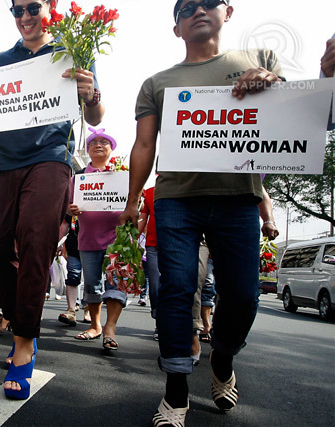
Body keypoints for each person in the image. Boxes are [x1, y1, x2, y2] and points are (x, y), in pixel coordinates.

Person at [118, 1, 285, 424]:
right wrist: (134, 197)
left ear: (227, 12)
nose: (198, 10)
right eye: (186, 8)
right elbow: (143, 145)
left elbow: (295, 120)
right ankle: (176, 390)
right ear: (176, 29)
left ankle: (223, 359)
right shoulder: (158, 82)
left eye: (207, 2)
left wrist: (276, 85)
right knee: (175, 288)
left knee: (244, 296)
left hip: (238, 199)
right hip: (177, 200)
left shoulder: (260, 61)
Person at [0, 0, 105, 400]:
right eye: (16, 10)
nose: (25, 17)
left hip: (51, 159)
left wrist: (90, 92)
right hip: (4, 161)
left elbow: (95, 116)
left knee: (35, 241)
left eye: (33, 7)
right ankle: (16, 315)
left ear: (51, 7)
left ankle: (24, 341)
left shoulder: (73, 50)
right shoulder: (0, 59)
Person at [69, 129, 126, 351]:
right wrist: (71, 208)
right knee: (92, 285)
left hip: (118, 241)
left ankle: (110, 328)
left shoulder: (123, 175)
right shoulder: (79, 179)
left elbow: (135, 204)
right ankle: (95, 326)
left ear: (112, 149)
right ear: (88, 149)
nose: (98, 145)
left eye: (104, 142)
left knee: (115, 284)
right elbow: (66, 206)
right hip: (88, 239)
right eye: (93, 142)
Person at [138, 185, 160, 341]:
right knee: (155, 287)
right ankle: (160, 323)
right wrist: (130, 240)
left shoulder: (185, 188)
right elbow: (142, 219)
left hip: (180, 246)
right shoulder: (150, 192)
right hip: (154, 247)